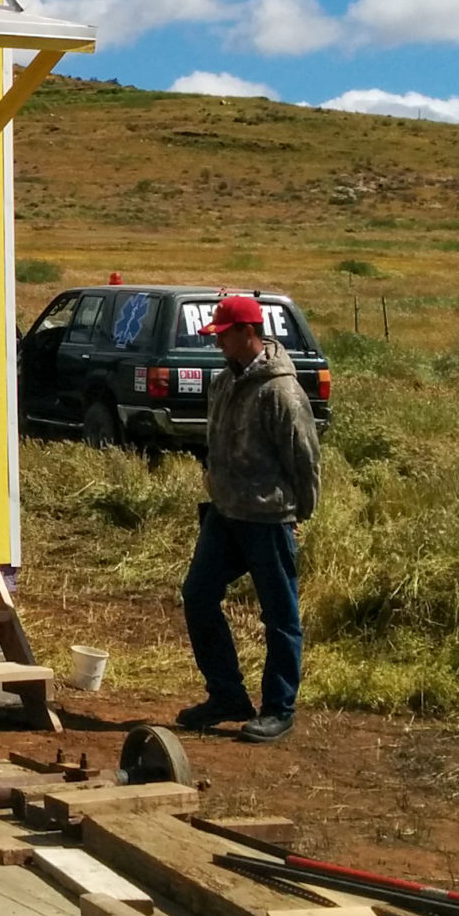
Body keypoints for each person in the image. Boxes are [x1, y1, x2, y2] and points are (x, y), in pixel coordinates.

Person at [176, 295, 321, 742]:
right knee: (198, 596)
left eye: (223, 335)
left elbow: (305, 458)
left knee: (280, 615)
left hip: (267, 517)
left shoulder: (281, 391)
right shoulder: (222, 383)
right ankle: (227, 696)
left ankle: (279, 709)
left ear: (247, 333)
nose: (217, 343)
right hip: (225, 514)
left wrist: (299, 511)